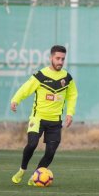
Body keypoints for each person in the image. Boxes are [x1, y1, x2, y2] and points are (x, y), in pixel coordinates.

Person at [11, 45, 78, 185]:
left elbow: (72, 96)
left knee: (50, 152)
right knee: (32, 144)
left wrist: (70, 113)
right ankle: (22, 170)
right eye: (57, 58)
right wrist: (15, 100)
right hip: (38, 118)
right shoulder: (40, 76)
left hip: (55, 122)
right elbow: (25, 89)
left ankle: (35, 176)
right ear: (51, 58)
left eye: (63, 59)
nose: (60, 61)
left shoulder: (67, 78)